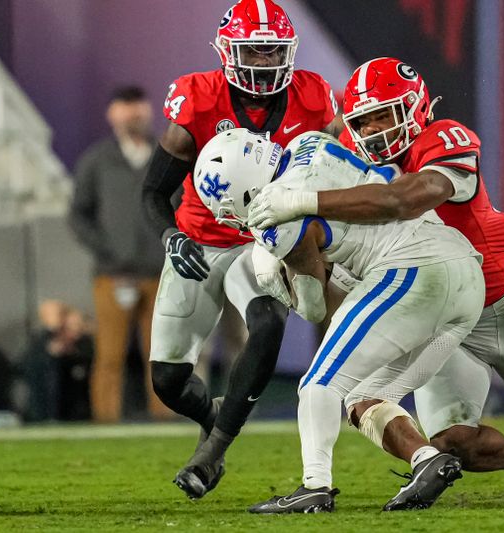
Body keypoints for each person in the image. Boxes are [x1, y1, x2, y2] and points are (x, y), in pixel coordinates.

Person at [247, 57, 504, 505]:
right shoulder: (344, 149)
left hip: (501, 303)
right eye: (362, 121)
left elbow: (406, 198)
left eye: (384, 115)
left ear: (415, 106)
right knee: (451, 441)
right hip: (426, 307)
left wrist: (303, 200)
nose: (372, 131)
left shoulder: (444, 137)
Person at [196, 128, 504, 513]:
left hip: (413, 270)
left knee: (318, 383)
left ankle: (314, 486)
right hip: (463, 271)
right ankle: (438, 460)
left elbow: (312, 307)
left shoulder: (273, 218)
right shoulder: (308, 141)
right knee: (364, 398)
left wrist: (278, 281)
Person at [140, 0, 339, 500]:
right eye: (254, 51)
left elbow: (336, 161)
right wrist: (173, 237)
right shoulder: (198, 99)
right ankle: (213, 418)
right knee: (167, 380)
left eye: (274, 53)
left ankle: (211, 455)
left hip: (261, 239)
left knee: (269, 322)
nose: (265, 63)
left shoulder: (313, 97)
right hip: (201, 240)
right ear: (228, 52)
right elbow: (152, 193)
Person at [69, 86, 170, 423]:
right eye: (125, 110)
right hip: (113, 273)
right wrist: (107, 250)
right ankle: (106, 422)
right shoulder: (97, 159)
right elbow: (78, 213)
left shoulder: (166, 153)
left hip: (160, 272)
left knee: (162, 354)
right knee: (109, 355)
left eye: (137, 109)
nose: (133, 116)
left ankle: (165, 421)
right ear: (112, 115)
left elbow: (184, 203)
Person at [22, 300, 94, 422]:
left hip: (79, 406)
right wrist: (51, 354)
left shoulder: (85, 344)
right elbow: (27, 367)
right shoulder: (41, 342)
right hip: (45, 406)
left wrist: (72, 354)